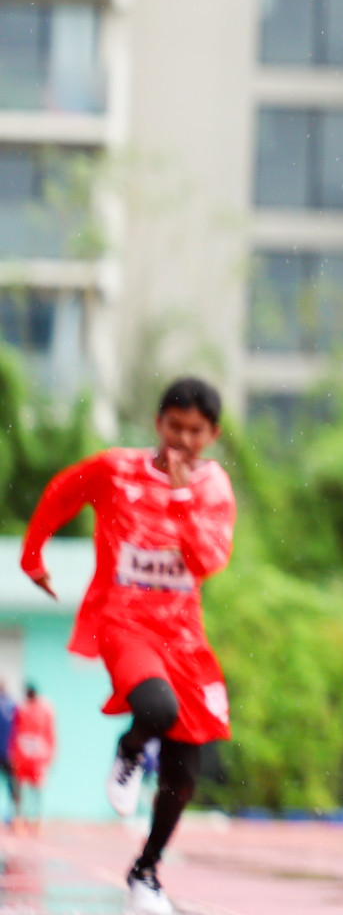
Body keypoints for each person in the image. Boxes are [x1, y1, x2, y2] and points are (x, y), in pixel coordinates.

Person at [20, 377, 235, 915]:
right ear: (159, 423)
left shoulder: (213, 490)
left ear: (212, 434)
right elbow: (62, 492)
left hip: (185, 637)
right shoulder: (117, 469)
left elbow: (209, 561)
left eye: (196, 431)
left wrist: (183, 499)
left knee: (187, 768)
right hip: (125, 622)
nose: (183, 440)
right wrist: (32, 554)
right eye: (174, 427)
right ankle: (131, 749)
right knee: (157, 708)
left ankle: (146, 873)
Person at [9, 685, 53, 834]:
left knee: (36, 791)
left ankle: (36, 822)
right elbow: (16, 733)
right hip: (24, 758)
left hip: (37, 759)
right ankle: (22, 821)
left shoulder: (44, 710)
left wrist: (49, 756)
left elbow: (49, 734)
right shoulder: (22, 710)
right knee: (23, 790)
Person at [0, 681, 19, 829]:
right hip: (9, 753)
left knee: (11, 785)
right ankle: (13, 817)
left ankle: (12, 817)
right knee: (12, 786)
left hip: (5, 752)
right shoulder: (14, 706)